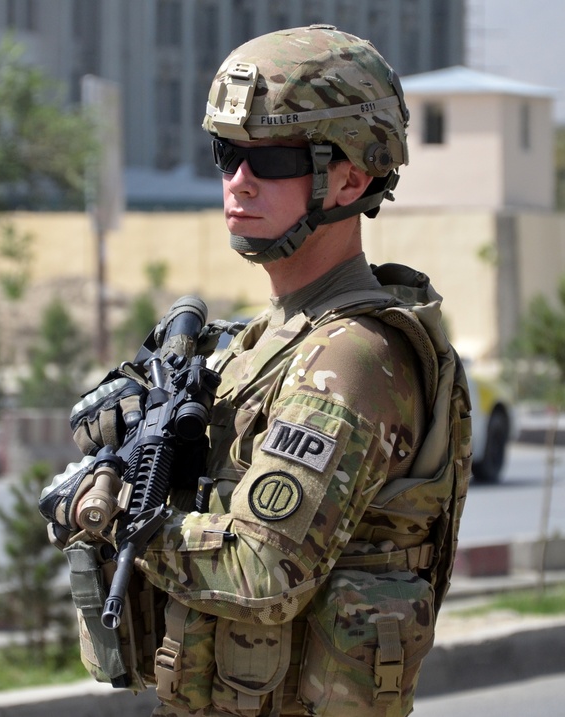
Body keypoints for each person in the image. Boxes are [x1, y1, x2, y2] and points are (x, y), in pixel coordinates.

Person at [41, 25, 472, 717]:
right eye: (226, 154)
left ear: (352, 175)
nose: (237, 182)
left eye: (270, 160)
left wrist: (112, 508)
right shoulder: (267, 338)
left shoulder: (351, 355)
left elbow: (263, 571)